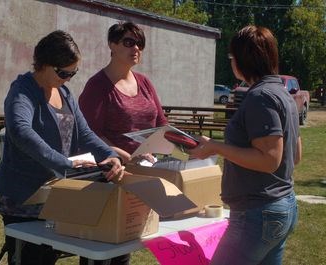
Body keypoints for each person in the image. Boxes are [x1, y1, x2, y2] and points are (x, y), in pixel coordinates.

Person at [0, 30, 124, 265]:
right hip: (23, 201)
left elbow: (84, 133)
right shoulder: (22, 91)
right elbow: (21, 132)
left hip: (55, 196)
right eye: (64, 72)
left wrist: (109, 154)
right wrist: (65, 164)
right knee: (32, 259)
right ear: (44, 64)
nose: (68, 78)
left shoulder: (64, 92)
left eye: (73, 73)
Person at [187, 25, 302, 265]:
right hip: (280, 207)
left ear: (240, 60)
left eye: (231, 57)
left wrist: (216, 147)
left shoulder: (261, 97)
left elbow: (270, 159)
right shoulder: (284, 94)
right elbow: (295, 156)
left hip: (258, 213)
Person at [79, 21, 167, 163]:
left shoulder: (145, 82)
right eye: (129, 42)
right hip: (114, 168)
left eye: (140, 44)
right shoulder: (97, 86)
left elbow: (161, 124)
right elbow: (90, 134)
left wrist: (185, 146)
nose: (136, 48)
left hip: (148, 164)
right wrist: (129, 158)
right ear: (112, 44)